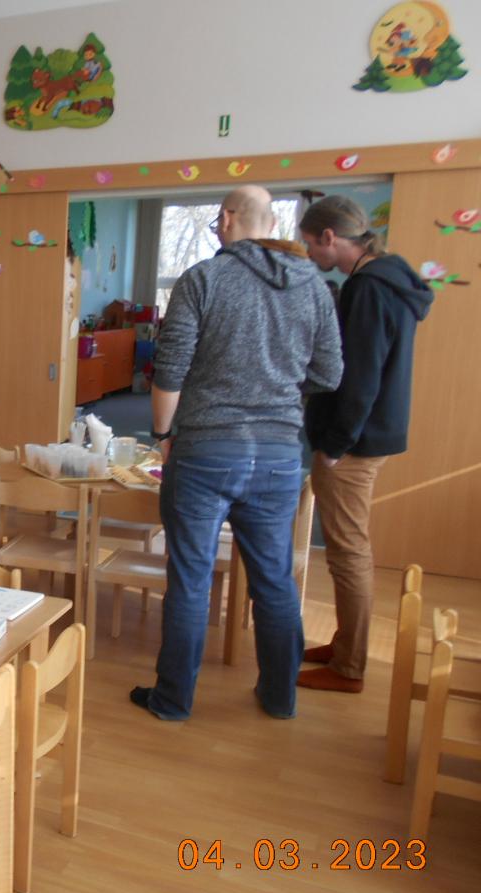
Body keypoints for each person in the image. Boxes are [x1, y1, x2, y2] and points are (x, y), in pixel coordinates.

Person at [135, 185, 343, 721]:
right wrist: (277, 388)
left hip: (205, 448)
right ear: (270, 223)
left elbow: (170, 371)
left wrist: (162, 434)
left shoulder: (204, 278)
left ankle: (172, 701)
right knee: (274, 580)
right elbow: (329, 373)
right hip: (278, 453)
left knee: (191, 579)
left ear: (227, 218)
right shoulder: (312, 284)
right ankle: (279, 697)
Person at [296, 195, 434, 694]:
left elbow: (361, 378)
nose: (310, 254)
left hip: (355, 441)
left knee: (347, 550)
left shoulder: (368, 289)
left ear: (330, 237)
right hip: (370, 434)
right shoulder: (388, 279)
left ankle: (349, 665)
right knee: (346, 546)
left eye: (311, 244)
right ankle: (344, 645)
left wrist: (335, 444)